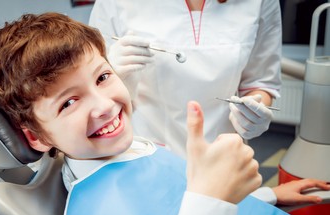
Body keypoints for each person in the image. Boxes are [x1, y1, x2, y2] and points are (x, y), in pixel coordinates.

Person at [0, 12, 330, 215]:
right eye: (69, 102)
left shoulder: (136, 150)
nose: (104, 105)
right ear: (36, 137)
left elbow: (178, 208)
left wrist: (268, 197)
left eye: (102, 77)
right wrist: (213, 200)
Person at [89, 0, 282, 159]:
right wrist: (111, 74)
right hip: (143, 152)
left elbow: (261, 82)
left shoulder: (260, 3)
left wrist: (255, 112)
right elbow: (87, 91)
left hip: (222, 155)